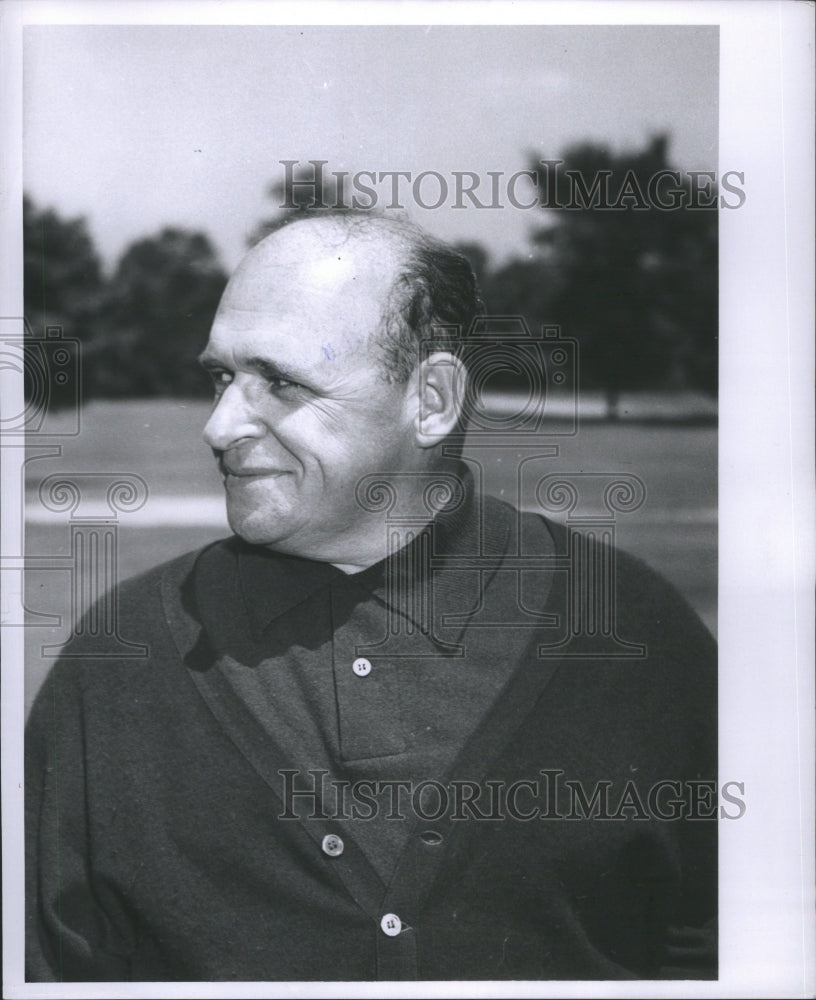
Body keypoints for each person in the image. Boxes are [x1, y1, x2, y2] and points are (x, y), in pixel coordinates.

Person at [25, 213, 717, 983]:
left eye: (281, 382)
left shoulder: (632, 635)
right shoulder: (123, 656)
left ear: (433, 400)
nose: (219, 426)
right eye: (221, 377)